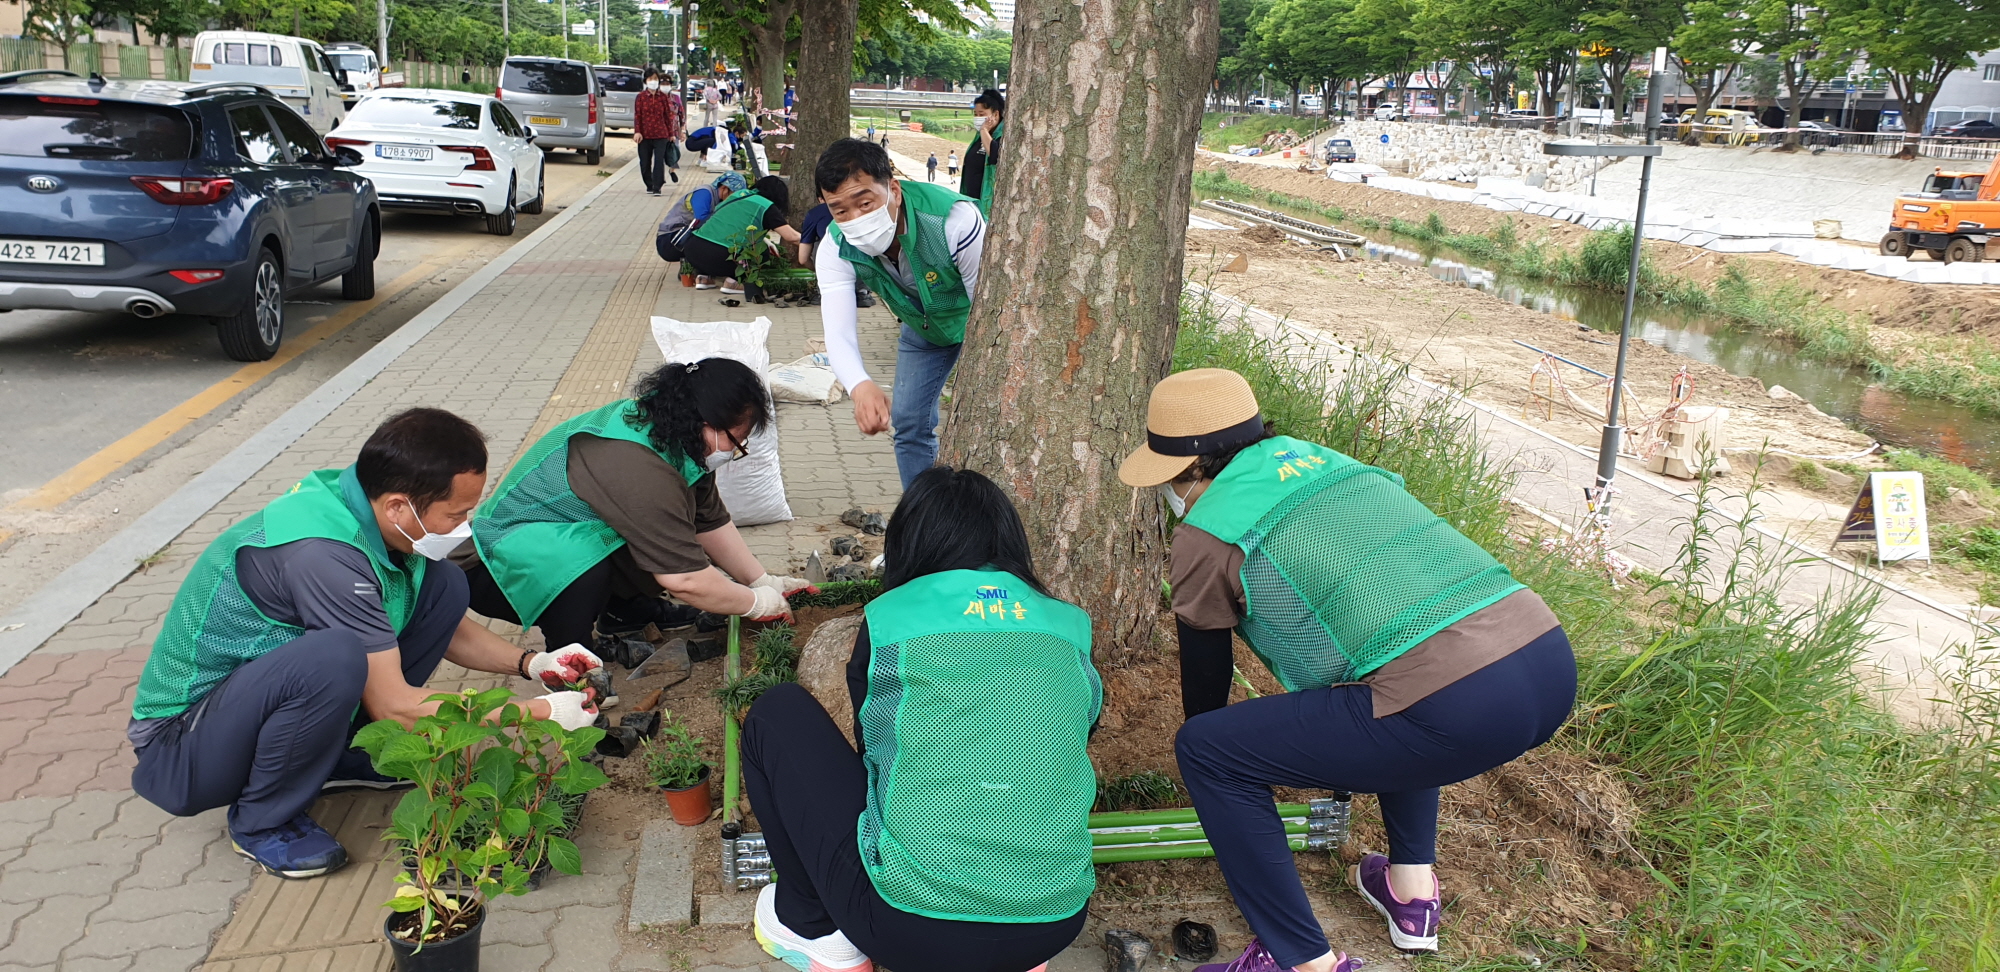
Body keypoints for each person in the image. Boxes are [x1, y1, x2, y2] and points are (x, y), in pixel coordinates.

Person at [1116, 369, 1577, 972]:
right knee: (1389, 684)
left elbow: (1207, 685)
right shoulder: (1331, 463)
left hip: (1453, 708)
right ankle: (1411, 895)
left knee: (1208, 750)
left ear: (1191, 469)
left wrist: (1227, 766)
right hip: (1543, 657)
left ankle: (1301, 961)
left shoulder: (1206, 532)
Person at [128, 409, 605, 880]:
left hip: (250, 710)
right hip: (182, 745)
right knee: (331, 659)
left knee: (442, 584)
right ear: (400, 506)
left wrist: (534, 664)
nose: (462, 524)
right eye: (456, 513)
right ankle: (261, 821)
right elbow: (395, 705)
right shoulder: (323, 556)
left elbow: (451, 630)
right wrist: (540, 714)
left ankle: (346, 754)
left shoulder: (369, 510)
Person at [743, 466, 1099, 972]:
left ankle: (814, 928)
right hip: (1054, 923)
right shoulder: (1068, 624)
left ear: (911, 544)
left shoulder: (891, 619)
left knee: (777, 713)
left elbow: (877, 757)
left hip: (907, 931)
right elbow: (1076, 734)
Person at [460, 358, 816, 657]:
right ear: (706, 423)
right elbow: (684, 578)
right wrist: (756, 604)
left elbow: (708, 523)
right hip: (497, 564)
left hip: (547, 538)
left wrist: (762, 581)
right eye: (735, 440)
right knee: (588, 555)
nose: (733, 450)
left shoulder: (676, 435)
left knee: (659, 531)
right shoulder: (638, 464)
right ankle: (570, 659)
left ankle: (624, 612)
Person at [813, 138, 986, 488]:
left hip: (976, 324)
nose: (855, 219)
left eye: (865, 202)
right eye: (839, 210)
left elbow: (989, 310)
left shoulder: (954, 222)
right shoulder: (835, 246)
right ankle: (924, 522)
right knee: (907, 423)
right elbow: (838, 331)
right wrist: (860, 386)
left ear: (893, 188)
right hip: (923, 329)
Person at [681, 174, 801, 296]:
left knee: (714, 243)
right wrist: (813, 243)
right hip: (719, 257)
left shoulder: (738, 196)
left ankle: (703, 279)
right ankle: (733, 282)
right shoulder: (766, 205)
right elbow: (792, 237)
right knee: (760, 252)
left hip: (692, 250)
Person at [634, 68, 682, 194]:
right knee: (645, 163)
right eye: (650, 79)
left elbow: (668, 116)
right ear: (645, 81)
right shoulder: (641, 97)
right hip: (644, 135)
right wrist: (637, 132)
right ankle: (649, 184)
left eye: (655, 79)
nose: (653, 81)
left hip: (661, 134)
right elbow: (637, 115)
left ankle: (657, 186)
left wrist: (671, 134)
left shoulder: (663, 98)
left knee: (659, 161)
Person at [959, 88, 1005, 216]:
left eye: (982, 114)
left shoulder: (1003, 136)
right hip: (970, 203)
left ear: (995, 115)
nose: (978, 118)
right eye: (975, 114)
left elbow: (995, 156)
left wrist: (984, 130)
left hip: (987, 205)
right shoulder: (978, 137)